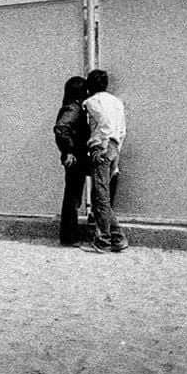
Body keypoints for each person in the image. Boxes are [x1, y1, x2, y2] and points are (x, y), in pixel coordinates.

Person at [82, 69, 128, 252]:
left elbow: (104, 123)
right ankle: (114, 237)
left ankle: (107, 239)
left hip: (101, 146)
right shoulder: (117, 102)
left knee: (101, 196)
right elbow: (122, 129)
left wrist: (100, 145)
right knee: (102, 195)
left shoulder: (92, 102)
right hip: (115, 146)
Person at [53, 76, 90, 246]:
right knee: (72, 197)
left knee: (73, 196)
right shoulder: (73, 108)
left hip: (75, 155)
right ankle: (68, 237)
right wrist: (68, 151)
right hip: (75, 157)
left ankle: (69, 235)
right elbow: (61, 128)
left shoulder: (73, 106)